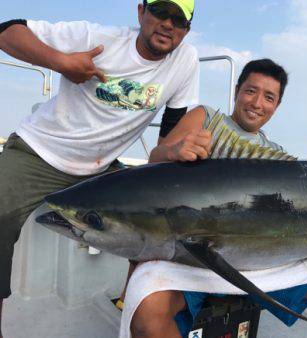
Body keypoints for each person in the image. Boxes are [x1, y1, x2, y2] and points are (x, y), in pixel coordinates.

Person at [120, 59, 307, 338]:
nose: (257, 103)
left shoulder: (276, 156)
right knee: (147, 316)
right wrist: (174, 151)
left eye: (269, 97)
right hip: (194, 255)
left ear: (276, 106)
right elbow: (154, 162)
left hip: (261, 259)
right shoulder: (204, 117)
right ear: (236, 92)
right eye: (250, 91)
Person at [0, 1, 200, 337]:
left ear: (187, 28)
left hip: (104, 167)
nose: (169, 23)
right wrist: (62, 62)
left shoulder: (186, 61)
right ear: (141, 12)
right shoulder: (96, 37)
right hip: (40, 153)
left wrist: (174, 150)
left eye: (179, 19)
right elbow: (7, 31)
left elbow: (170, 132)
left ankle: (132, 310)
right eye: (161, 12)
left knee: (161, 223)